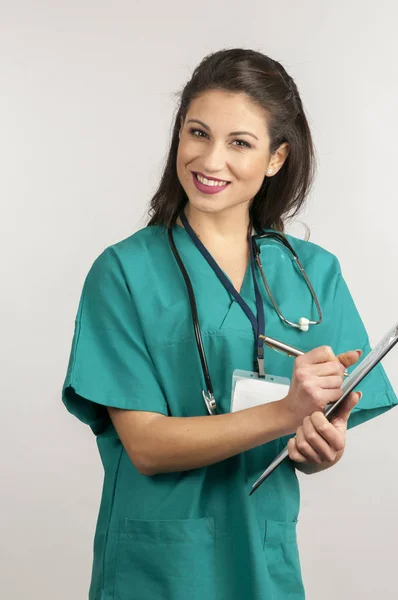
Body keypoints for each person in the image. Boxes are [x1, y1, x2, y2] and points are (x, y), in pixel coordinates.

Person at [62, 48, 398, 600]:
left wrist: (321, 446)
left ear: (275, 158)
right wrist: (286, 411)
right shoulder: (123, 272)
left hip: (263, 561)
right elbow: (145, 446)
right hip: (157, 567)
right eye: (197, 133)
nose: (210, 159)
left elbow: (319, 427)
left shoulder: (313, 274)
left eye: (239, 142)